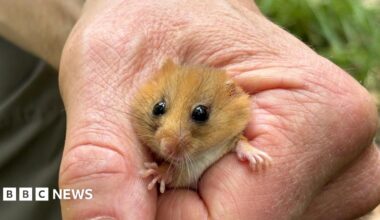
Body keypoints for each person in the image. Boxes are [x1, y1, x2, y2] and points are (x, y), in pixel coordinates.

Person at [0, 0, 379, 219]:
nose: (168, 135)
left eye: (198, 116)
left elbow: (233, 139)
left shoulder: (235, 120)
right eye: (160, 110)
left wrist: (243, 146)